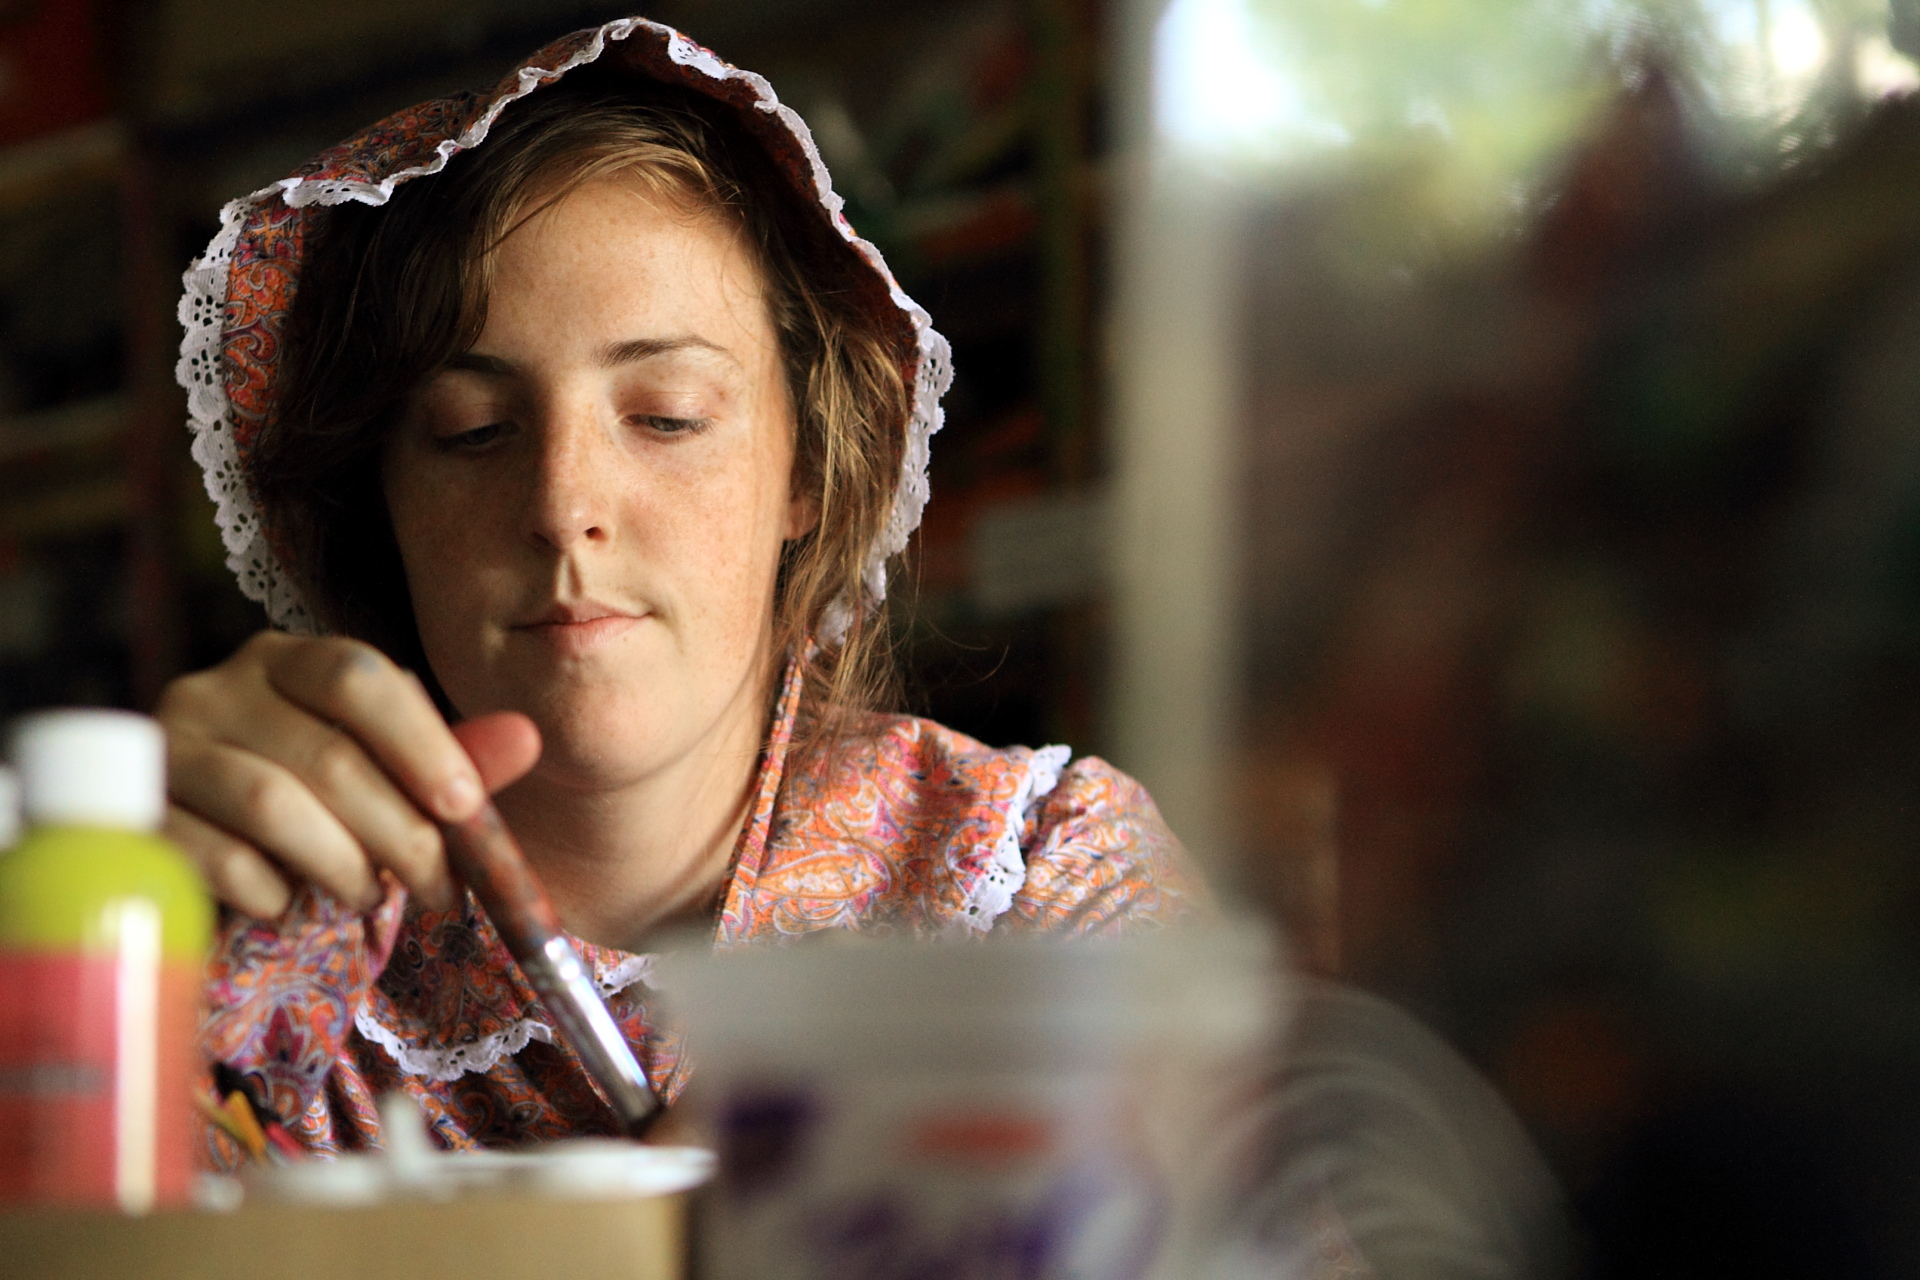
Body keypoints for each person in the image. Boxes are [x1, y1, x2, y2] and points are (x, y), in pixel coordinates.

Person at [161, 18, 1195, 1163]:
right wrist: (108, 939)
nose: (564, 504)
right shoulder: (249, 955)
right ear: (380, 505)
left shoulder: (1041, 877)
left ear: (807, 469)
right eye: (474, 429)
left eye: (667, 416)